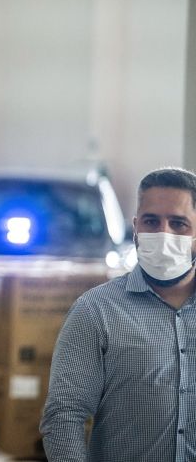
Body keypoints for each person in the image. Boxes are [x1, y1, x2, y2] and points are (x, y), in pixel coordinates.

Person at [41, 167, 196, 461]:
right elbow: (64, 415)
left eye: (178, 224)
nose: (163, 234)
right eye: (152, 221)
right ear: (135, 228)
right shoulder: (96, 311)